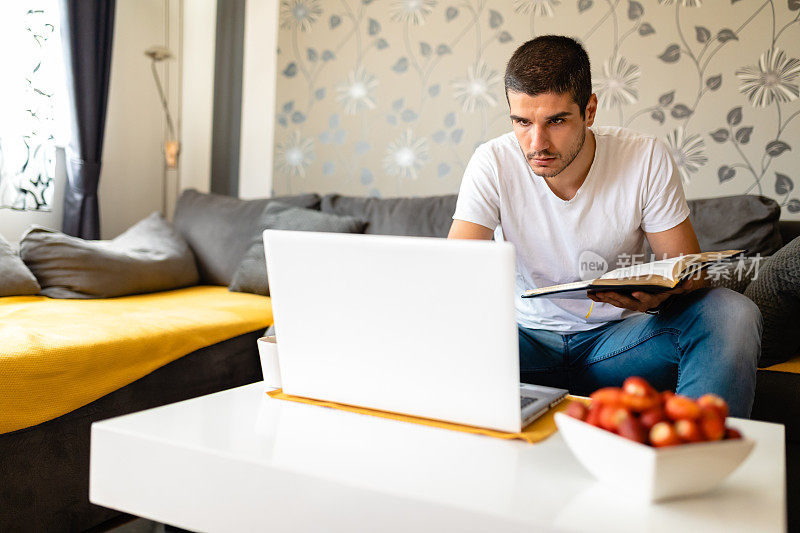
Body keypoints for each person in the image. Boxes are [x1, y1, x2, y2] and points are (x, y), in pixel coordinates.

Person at [447, 35, 761, 417]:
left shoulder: (644, 156)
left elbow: (687, 273)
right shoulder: (492, 162)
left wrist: (662, 295)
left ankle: (698, 460)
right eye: (522, 122)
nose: (536, 143)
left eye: (556, 121)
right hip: (523, 344)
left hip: (616, 345)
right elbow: (456, 275)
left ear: (590, 110)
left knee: (731, 312)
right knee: (428, 323)